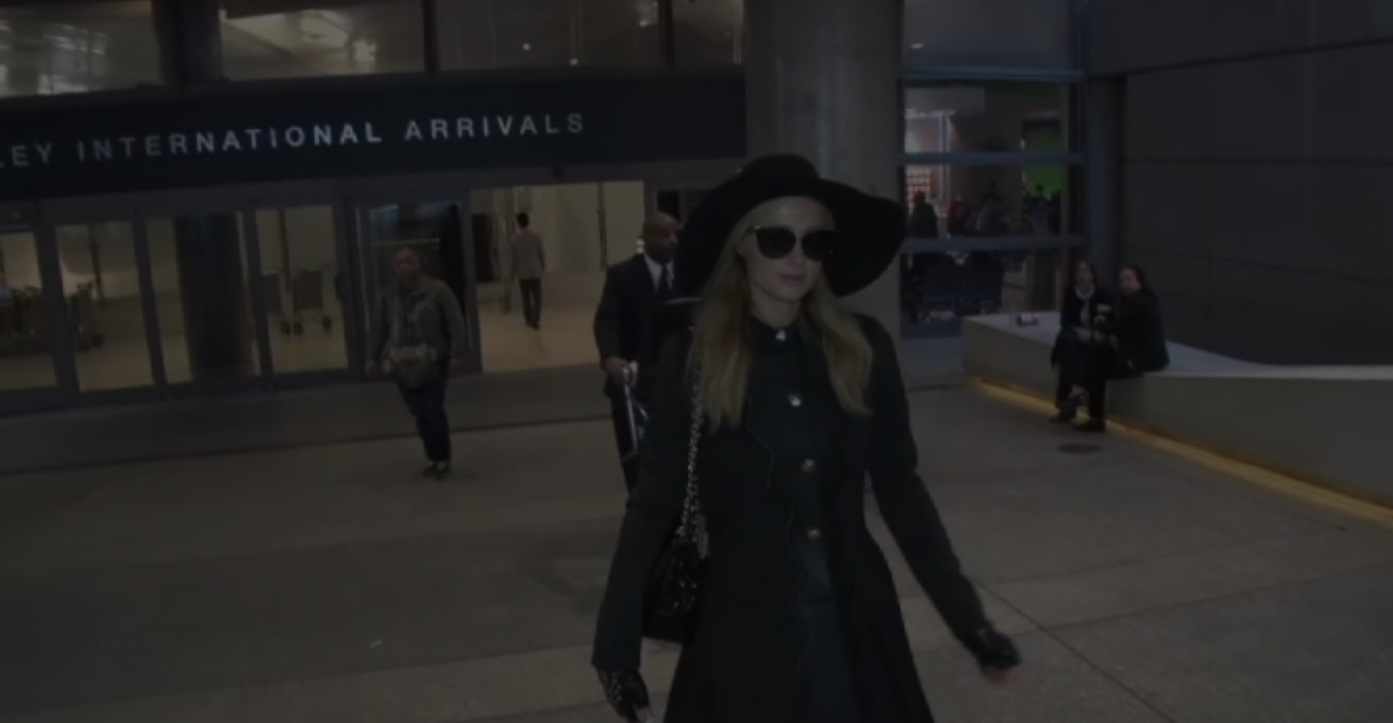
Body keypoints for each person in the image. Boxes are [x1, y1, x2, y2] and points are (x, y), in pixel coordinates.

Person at [591, 155, 1021, 723]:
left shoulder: (863, 349)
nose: (798, 258)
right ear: (742, 245)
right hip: (742, 632)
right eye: (778, 239)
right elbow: (653, 504)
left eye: (816, 242)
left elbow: (901, 490)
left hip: (857, 625)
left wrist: (969, 621)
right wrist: (616, 646)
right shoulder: (692, 360)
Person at [592, 213, 682, 493]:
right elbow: (607, 320)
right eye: (664, 235)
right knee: (635, 457)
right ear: (645, 238)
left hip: (681, 380)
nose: (672, 240)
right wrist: (610, 357)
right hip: (633, 381)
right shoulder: (622, 275)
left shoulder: (691, 273)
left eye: (676, 234)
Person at [367, 247, 469, 479]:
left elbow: (455, 322)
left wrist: (456, 353)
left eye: (408, 261)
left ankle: (442, 458)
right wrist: (371, 357)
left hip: (433, 363)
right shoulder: (388, 298)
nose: (403, 266)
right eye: (398, 263)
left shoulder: (437, 291)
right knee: (419, 414)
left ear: (418, 263)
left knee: (432, 411)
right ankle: (432, 456)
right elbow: (378, 330)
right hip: (402, 367)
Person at [1050, 259, 1112, 426]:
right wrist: (1078, 331)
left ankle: (1075, 399)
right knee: (1068, 346)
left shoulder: (1103, 295)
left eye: (1085, 271)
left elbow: (1109, 321)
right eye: (1079, 271)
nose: (1082, 275)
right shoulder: (1070, 293)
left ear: (1092, 275)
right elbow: (1065, 321)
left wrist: (1092, 333)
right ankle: (1072, 399)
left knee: (1089, 356)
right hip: (1075, 335)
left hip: (1095, 338)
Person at [511, 212, 546, 329]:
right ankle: (535, 319)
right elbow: (541, 254)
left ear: (518, 223)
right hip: (535, 272)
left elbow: (514, 259)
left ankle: (528, 318)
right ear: (528, 221)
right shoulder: (536, 237)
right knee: (537, 298)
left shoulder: (515, 239)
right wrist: (542, 267)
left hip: (522, 273)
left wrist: (512, 273)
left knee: (525, 298)